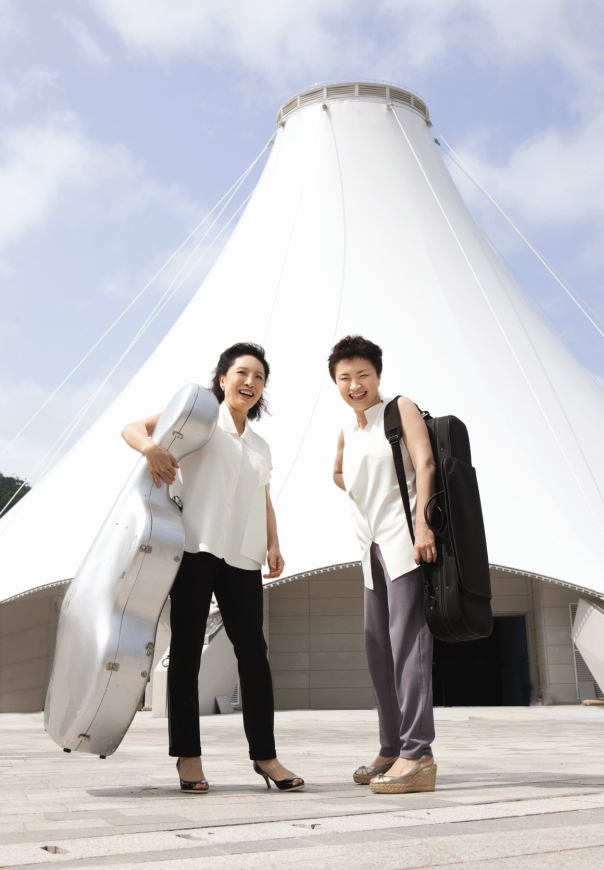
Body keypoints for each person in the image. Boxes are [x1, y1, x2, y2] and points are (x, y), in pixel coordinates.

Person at [121, 342, 304, 794]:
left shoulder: (260, 445)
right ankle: (189, 757)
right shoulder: (198, 419)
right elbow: (131, 427)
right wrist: (151, 450)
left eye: (259, 377)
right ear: (222, 379)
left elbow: (261, 497)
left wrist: (275, 543)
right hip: (195, 547)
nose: (250, 382)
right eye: (242, 373)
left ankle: (266, 756)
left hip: (243, 555)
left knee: (254, 656)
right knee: (185, 650)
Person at [329, 335, 437, 795]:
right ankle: (390, 747)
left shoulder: (400, 408)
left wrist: (423, 525)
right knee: (378, 652)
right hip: (369, 549)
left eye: (363, 375)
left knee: (408, 648)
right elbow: (337, 472)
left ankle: (418, 753)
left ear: (378, 375)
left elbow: (426, 463)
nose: (355, 385)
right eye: (344, 378)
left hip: (405, 544)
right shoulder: (348, 431)